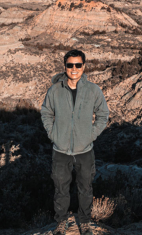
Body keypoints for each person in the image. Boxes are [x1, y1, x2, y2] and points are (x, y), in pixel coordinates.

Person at [41, 49, 109, 235]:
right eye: (70, 65)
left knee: (85, 188)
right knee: (60, 189)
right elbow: (46, 112)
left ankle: (85, 222)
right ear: (65, 67)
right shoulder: (55, 90)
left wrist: (91, 135)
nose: (74, 69)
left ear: (84, 67)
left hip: (84, 150)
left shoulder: (93, 90)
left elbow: (103, 115)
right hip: (60, 149)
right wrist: (52, 133)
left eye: (78, 65)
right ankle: (61, 223)